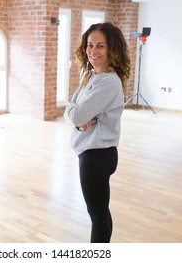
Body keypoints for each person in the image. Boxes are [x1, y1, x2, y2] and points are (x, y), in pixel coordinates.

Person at [64, 22, 130, 243]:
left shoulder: (108, 82)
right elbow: (72, 109)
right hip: (94, 153)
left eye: (100, 46)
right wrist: (78, 117)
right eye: (90, 45)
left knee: (97, 214)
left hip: (96, 155)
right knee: (101, 211)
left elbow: (74, 114)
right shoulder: (91, 76)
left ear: (112, 49)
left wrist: (76, 116)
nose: (93, 51)